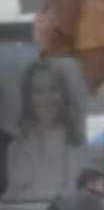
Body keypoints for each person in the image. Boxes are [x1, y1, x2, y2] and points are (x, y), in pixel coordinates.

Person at [6, 60, 85, 201]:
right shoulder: (14, 150)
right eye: (38, 91)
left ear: (63, 94)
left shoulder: (78, 147)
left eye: (53, 89)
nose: (46, 98)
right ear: (29, 98)